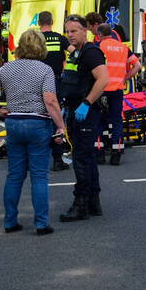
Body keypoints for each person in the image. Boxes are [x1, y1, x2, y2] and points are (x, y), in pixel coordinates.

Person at [0, 29, 66, 235]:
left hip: (14, 123)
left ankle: (10, 221)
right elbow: (50, 101)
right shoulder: (45, 70)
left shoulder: (7, 68)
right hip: (38, 125)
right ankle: (41, 223)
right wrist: (61, 126)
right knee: (39, 176)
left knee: (15, 176)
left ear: (20, 46)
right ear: (41, 47)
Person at [57, 14, 109, 222]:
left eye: (74, 31)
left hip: (85, 113)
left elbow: (104, 78)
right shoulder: (77, 53)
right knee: (87, 158)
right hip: (76, 110)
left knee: (81, 159)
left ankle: (80, 205)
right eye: (67, 31)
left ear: (85, 30)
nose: (70, 35)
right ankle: (93, 203)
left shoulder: (90, 52)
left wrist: (86, 104)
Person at [94, 23, 141, 166]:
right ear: (112, 33)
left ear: (100, 34)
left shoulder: (98, 47)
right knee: (116, 122)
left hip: (101, 89)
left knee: (99, 121)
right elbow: (137, 65)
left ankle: (100, 154)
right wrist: (125, 77)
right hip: (117, 90)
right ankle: (116, 153)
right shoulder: (123, 48)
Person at [38, 10, 70, 171]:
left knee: (38, 118)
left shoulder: (35, 39)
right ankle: (58, 159)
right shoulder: (59, 38)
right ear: (51, 22)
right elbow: (75, 52)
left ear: (39, 23)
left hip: (36, 83)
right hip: (56, 82)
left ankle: (35, 160)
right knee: (56, 118)